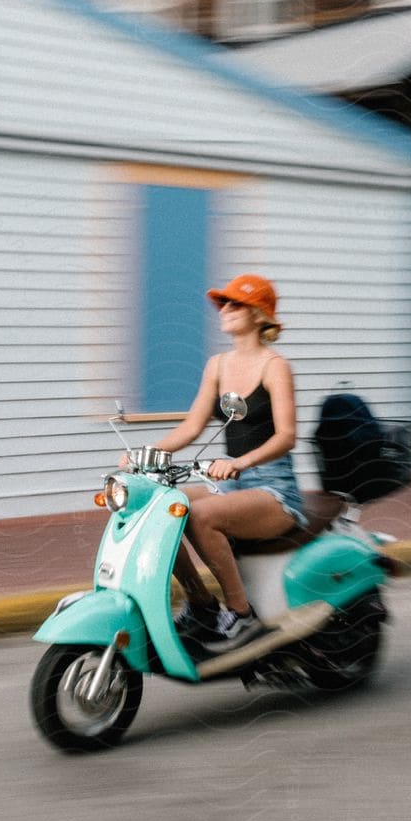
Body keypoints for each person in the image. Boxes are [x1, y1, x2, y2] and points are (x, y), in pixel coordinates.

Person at [137, 273, 307, 653]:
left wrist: (240, 462)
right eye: (223, 304)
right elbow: (193, 425)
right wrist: (147, 453)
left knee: (201, 516)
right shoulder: (217, 364)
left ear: (261, 315)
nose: (225, 310)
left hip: (273, 488)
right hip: (231, 482)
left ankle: (241, 612)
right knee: (163, 508)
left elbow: (286, 436)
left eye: (235, 303)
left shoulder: (275, 366)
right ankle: (200, 604)